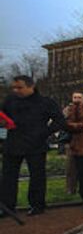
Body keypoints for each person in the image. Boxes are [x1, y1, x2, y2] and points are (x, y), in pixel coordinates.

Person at [0, 75, 64, 216]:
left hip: (35, 144)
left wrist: (44, 132)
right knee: (8, 176)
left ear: (31, 86)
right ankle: (7, 206)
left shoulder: (45, 102)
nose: (16, 90)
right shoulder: (10, 100)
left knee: (37, 176)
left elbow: (59, 120)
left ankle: (37, 205)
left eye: (20, 87)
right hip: (13, 143)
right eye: (14, 87)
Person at [63, 92, 83, 196]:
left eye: (79, 97)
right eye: (75, 97)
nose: (77, 99)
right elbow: (64, 124)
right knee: (70, 168)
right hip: (71, 141)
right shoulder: (67, 110)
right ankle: (70, 189)